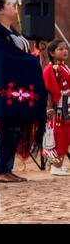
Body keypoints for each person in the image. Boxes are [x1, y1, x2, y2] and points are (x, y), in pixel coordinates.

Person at [0, 0, 46, 183]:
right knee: (9, 127)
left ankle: (6, 169)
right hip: (5, 89)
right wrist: (31, 62)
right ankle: (1, 170)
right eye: (9, 4)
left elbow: (18, 55)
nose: (14, 6)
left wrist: (35, 54)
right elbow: (3, 60)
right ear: (0, 10)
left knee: (16, 128)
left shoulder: (12, 31)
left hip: (19, 90)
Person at [43, 39, 70, 175]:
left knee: (65, 136)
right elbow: (47, 90)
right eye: (60, 49)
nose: (65, 51)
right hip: (58, 109)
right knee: (59, 137)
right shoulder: (49, 69)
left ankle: (58, 165)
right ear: (52, 53)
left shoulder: (64, 67)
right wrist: (49, 108)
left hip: (67, 106)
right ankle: (55, 166)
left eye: (65, 48)